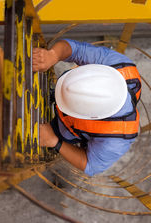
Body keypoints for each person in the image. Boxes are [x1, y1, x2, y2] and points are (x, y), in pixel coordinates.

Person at [33, 39, 141, 176]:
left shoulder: (117, 139)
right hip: (68, 94)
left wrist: (55, 142)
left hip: (63, 129)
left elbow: (91, 165)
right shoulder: (120, 66)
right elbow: (77, 49)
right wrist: (53, 55)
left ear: (92, 116)